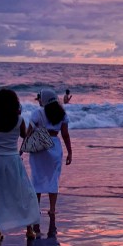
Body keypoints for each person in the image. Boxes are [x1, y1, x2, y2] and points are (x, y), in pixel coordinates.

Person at [0, 88, 39, 246]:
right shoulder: (19, 120)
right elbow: (24, 135)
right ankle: (29, 229)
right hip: (12, 161)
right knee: (23, 194)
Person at [27, 88, 72, 236]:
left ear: (44, 100)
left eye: (40, 98)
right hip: (54, 146)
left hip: (39, 146)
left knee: (37, 178)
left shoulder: (37, 113)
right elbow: (65, 134)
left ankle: (36, 209)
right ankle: (52, 209)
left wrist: (23, 148)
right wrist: (70, 152)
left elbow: (28, 132)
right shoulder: (62, 114)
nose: (39, 101)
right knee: (53, 179)